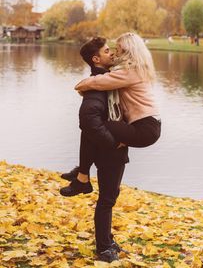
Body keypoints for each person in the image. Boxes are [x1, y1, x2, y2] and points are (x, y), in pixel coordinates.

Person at [61, 37, 129, 263]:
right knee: (107, 200)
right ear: (96, 59)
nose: (112, 54)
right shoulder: (97, 87)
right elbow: (88, 120)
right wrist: (114, 143)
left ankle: (107, 240)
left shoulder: (102, 81)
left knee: (110, 197)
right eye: (107, 51)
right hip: (109, 153)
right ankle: (104, 249)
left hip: (107, 152)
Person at [70, 32, 161, 192]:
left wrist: (82, 85)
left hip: (145, 128)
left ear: (127, 51)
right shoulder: (133, 69)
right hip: (148, 126)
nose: (114, 52)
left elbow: (100, 81)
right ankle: (82, 174)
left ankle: (82, 175)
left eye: (118, 49)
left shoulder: (129, 72)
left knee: (91, 127)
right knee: (92, 128)